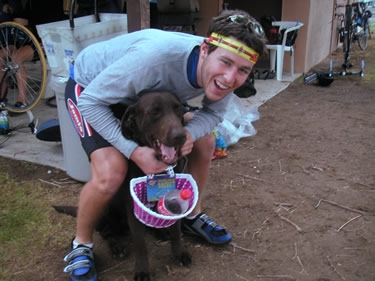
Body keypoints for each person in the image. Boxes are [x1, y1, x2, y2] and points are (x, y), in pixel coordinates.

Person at [63, 9, 267, 281]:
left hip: (141, 96)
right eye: (226, 62)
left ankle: (191, 216)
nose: (230, 78)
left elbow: (213, 114)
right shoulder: (153, 60)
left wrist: (189, 135)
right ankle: (82, 244)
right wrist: (134, 151)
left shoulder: (223, 80)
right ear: (205, 49)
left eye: (243, 70)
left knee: (204, 142)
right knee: (112, 171)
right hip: (91, 90)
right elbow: (90, 102)